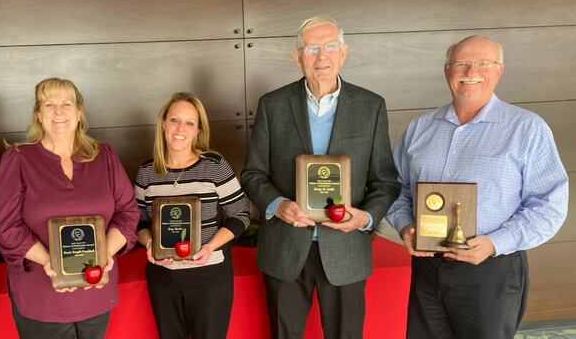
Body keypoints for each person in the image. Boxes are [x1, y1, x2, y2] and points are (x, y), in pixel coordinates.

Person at [386, 35, 568, 338]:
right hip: (428, 268)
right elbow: (394, 186)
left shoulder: (527, 128)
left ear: (499, 71)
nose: (471, 71)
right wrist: (405, 226)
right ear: (447, 70)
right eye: (461, 63)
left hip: (491, 270)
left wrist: (496, 242)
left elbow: (550, 205)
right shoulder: (420, 127)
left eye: (484, 63)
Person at [241, 17, 400, 339]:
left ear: (344, 52)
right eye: (312, 48)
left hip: (346, 249)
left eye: (329, 46)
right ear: (297, 56)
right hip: (285, 248)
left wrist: (365, 217)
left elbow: (385, 180)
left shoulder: (371, 106)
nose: (321, 56)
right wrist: (277, 204)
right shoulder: (273, 105)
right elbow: (253, 173)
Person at [0, 77, 139, 339]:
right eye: (49, 104)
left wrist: (104, 255)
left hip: (96, 290)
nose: (58, 112)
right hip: (42, 297)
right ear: (38, 114)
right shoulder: (18, 158)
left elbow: (128, 213)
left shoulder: (104, 155)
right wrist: (52, 263)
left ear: (79, 112)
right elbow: (6, 226)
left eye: (66, 104)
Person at [134, 92, 251, 339]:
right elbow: (139, 222)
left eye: (189, 123)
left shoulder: (215, 165)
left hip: (209, 276)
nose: (180, 129)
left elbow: (241, 213)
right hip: (163, 278)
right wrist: (150, 242)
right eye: (175, 120)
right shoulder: (146, 172)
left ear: (198, 130)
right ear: (163, 124)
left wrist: (210, 247)